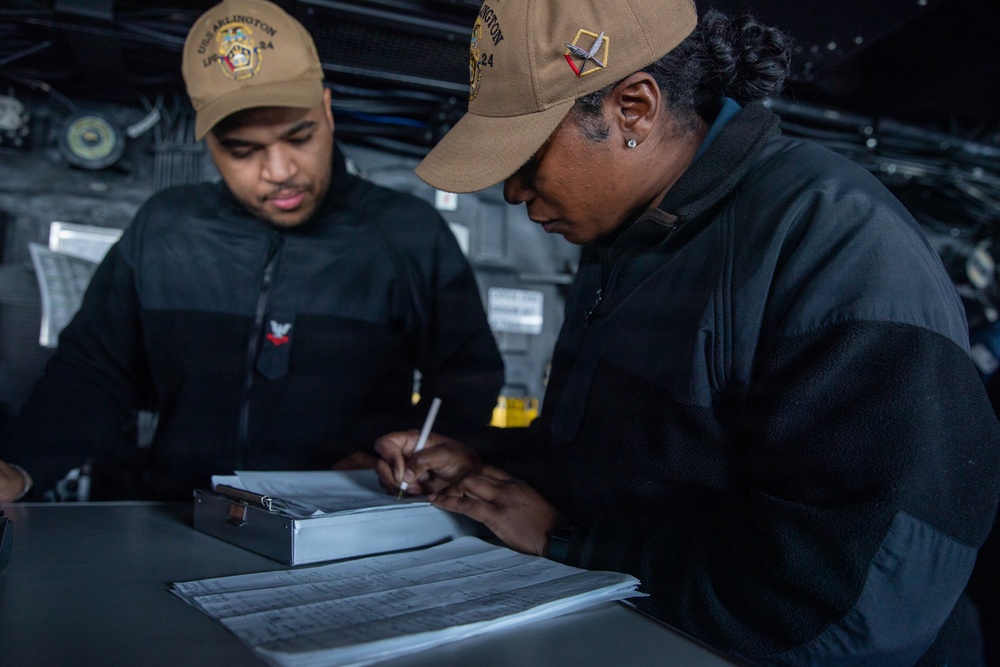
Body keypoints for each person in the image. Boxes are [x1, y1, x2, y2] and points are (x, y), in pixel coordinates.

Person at [374, 0, 1000, 664]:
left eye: (527, 153)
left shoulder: (837, 246)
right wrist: (486, 468)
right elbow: (631, 461)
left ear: (634, 109)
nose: (511, 191)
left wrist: (567, 541)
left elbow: (843, 600)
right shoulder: (629, 237)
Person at [0, 0, 504, 502]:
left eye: (299, 136)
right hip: (182, 514)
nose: (280, 171)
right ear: (211, 144)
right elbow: (92, 371)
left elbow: (468, 376)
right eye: (244, 150)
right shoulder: (165, 227)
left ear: (327, 111)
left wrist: (418, 454)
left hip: (342, 524)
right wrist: (25, 468)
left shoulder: (408, 232)